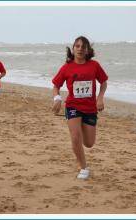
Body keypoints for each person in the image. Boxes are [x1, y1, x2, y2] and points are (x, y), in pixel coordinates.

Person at [51, 36, 108, 179]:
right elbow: (56, 86)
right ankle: (83, 167)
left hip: (90, 108)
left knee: (89, 143)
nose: (80, 49)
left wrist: (99, 98)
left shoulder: (94, 65)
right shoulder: (67, 67)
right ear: (73, 48)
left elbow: (104, 82)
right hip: (73, 106)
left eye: (83, 46)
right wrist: (57, 98)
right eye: (77, 46)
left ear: (88, 49)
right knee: (75, 137)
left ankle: (79, 149)